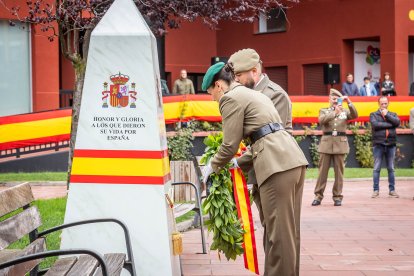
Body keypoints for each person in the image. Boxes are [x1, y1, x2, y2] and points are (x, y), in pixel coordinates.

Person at [201, 62, 308, 276]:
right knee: (287, 233)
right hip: (291, 159)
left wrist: (212, 166)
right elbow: (267, 133)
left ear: (219, 85)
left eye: (211, 92)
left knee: (277, 235)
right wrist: (238, 162)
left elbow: (230, 144)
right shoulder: (254, 94)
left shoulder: (230, 98)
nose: (212, 98)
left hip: (275, 165)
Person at [227, 48, 292, 246]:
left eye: (239, 75)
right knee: (270, 231)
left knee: (278, 235)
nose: (235, 81)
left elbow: (276, 138)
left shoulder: (274, 94)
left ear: (254, 71)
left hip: (275, 167)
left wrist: (237, 162)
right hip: (260, 168)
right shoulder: (247, 93)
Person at [312, 89, 358, 207]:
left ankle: (337, 197)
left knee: (339, 173)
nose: (334, 101)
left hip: (340, 143)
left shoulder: (345, 111)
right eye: (333, 99)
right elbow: (321, 121)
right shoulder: (324, 110)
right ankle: (318, 196)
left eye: (337, 99)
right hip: (326, 143)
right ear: (329, 99)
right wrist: (334, 113)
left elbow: (355, 115)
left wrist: (349, 102)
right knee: (322, 172)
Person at [370, 96, 400, 198]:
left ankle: (392, 190)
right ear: (378, 104)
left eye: (385, 103)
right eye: (382, 103)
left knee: (391, 168)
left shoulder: (393, 114)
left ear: (388, 103)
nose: (383, 105)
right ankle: (375, 190)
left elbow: (397, 123)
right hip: (378, 144)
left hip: (391, 144)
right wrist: (390, 124)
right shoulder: (373, 114)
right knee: (376, 168)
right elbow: (375, 125)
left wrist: (387, 115)